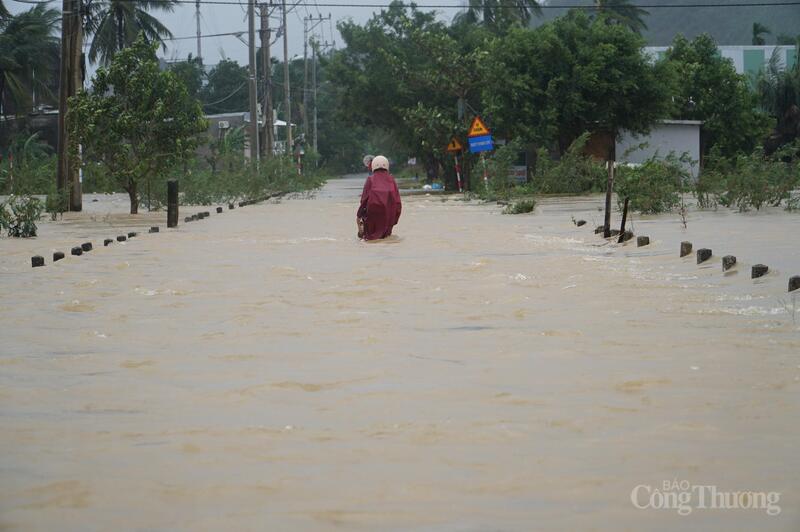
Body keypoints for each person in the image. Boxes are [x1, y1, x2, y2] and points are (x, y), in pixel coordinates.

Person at [357, 155, 401, 241]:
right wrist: (394, 220)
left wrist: (359, 215)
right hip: (389, 214)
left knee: (369, 238)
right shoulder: (392, 179)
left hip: (373, 214)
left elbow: (364, 200)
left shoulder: (370, 179)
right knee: (386, 238)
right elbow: (398, 202)